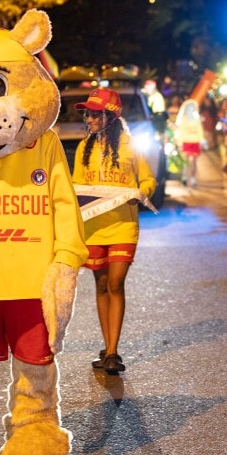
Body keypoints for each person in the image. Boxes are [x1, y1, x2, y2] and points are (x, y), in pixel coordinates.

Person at [72, 89, 157, 375]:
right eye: (88, 114)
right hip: (94, 227)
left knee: (116, 283)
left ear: (111, 116)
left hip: (123, 225)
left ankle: (112, 352)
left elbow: (148, 179)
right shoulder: (84, 148)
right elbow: (77, 186)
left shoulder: (131, 145)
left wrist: (140, 193)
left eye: (95, 114)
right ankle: (107, 347)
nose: (90, 119)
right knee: (101, 285)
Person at [174, 98, 205, 187]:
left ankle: (192, 178)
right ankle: (184, 177)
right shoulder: (183, 120)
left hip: (194, 141)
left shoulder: (196, 119)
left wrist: (202, 140)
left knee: (194, 162)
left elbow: (200, 130)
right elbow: (180, 132)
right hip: (186, 142)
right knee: (185, 161)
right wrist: (179, 142)